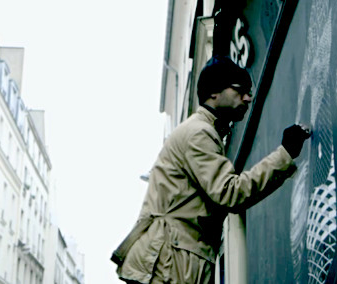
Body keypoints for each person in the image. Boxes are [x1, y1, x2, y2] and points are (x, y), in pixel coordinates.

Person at [111, 55, 311, 284]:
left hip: (173, 263)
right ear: (214, 92)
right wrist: (284, 154)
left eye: (249, 91)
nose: (248, 97)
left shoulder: (204, 132)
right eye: (240, 90)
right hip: (170, 265)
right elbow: (230, 193)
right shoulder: (199, 133)